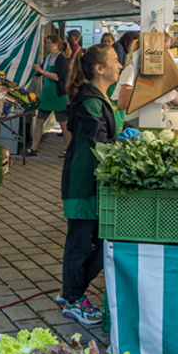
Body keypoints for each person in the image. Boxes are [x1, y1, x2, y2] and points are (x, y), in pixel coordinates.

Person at [58, 44, 133, 324]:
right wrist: (122, 143)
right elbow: (98, 144)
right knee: (80, 245)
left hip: (93, 181)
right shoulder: (90, 100)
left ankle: (71, 289)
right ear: (99, 69)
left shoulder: (98, 97)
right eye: (115, 61)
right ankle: (73, 297)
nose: (119, 65)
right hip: (82, 183)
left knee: (100, 243)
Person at [27, 35, 71, 158]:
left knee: (63, 123)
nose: (46, 45)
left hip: (58, 95)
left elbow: (57, 77)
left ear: (56, 45)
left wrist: (41, 71)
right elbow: (39, 73)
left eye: (49, 43)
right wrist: (36, 70)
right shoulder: (47, 58)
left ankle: (68, 148)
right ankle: (33, 148)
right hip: (46, 96)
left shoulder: (61, 59)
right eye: (46, 43)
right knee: (39, 121)